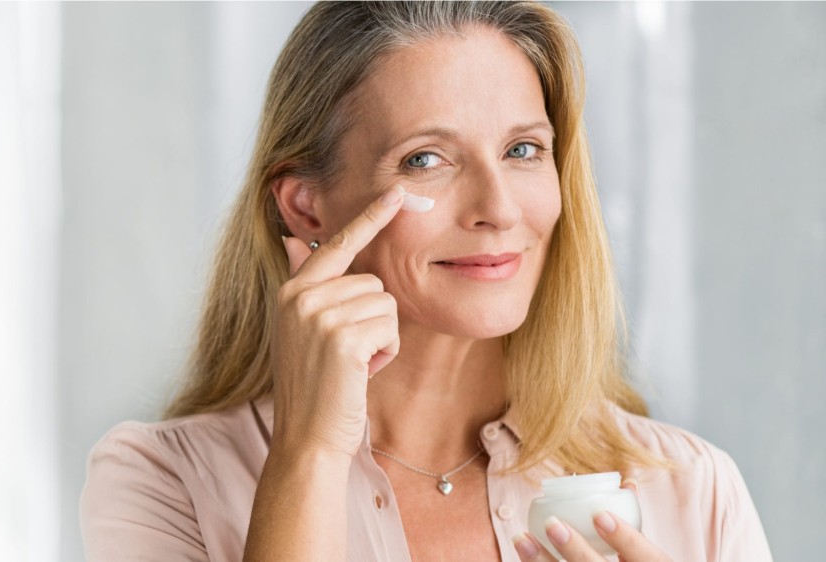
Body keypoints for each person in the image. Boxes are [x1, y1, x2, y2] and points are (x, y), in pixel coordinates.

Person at [80, 2, 773, 561]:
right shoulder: (164, 483)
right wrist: (311, 453)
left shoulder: (693, 492)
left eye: (523, 150)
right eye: (426, 160)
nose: (499, 210)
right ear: (305, 205)